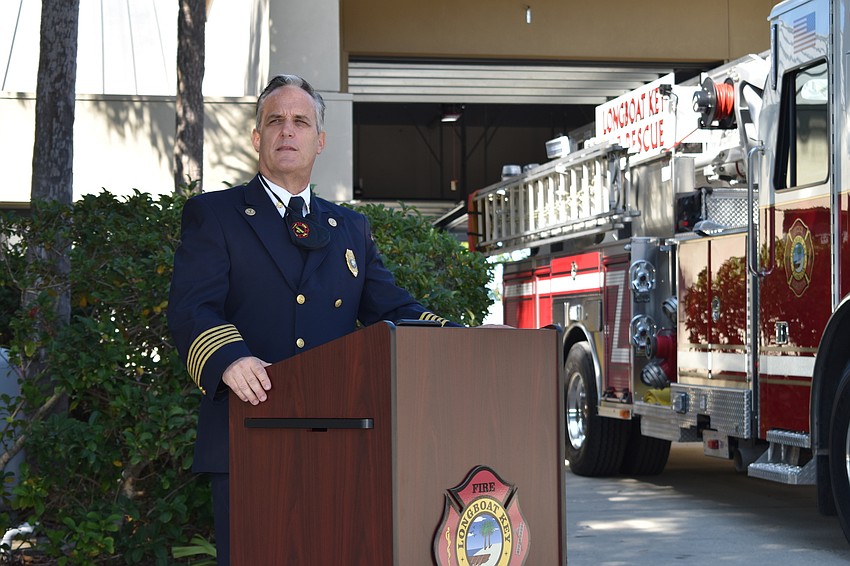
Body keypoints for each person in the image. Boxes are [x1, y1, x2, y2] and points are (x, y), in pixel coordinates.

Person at [167, 74, 460, 565]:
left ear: (319, 140)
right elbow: (192, 307)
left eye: (301, 121)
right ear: (257, 138)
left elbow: (393, 309)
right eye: (275, 121)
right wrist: (229, 359)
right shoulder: (215, 215)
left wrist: (462, 339)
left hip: (339, 439)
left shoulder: (349, 228)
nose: (288, 130)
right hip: (249, 431)